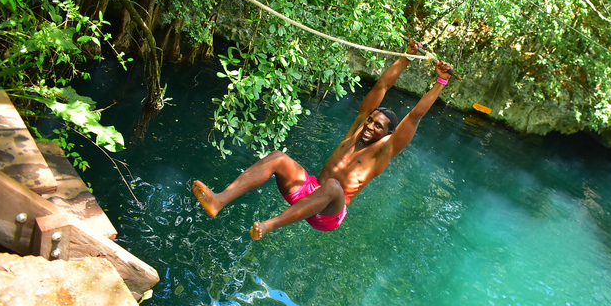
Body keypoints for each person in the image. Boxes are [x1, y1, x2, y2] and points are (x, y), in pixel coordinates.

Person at [192, 38, 453, 240]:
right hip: (310, 192)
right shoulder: (356, 130)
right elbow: (381, 88)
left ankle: (269, 225)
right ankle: (219, 200)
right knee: (278, 158)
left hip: (329, 213)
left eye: (378, 126)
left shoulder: (383, 152)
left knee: (332, 187)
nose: (370, 126)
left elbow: (416, 115)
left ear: (387, 135)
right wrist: (407, 57)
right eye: (371, 120)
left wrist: (441, 80)